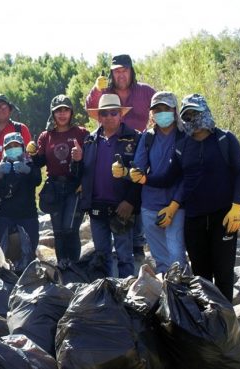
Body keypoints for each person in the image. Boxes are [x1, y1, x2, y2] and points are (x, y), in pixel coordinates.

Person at [126, 94, 240, 301]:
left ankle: (226, 324)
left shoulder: (225, 139)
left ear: (205, 112)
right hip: (193, 218)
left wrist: (237, 206)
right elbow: (169, 178)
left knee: (224, 273)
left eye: (195, 113)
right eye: (188, 115)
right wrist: (145, 179)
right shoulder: (183, 146)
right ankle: (207, 321)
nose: (192, 119)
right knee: (201, 275)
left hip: (224, 217)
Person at [86, 54, 156, 260]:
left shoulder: (145, 91)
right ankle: (122, 251)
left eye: (124, 70)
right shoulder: (105, 91)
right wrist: (96, 90)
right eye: (116, 71)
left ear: (131, 71)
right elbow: (91, 108)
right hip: (111, 144)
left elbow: (162, 106)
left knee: (138, 187)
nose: (121, 74)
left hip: (140, 146)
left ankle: (137, 244)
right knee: (113, 188)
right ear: (112, 73)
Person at [116, 91, 187, 273]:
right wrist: (125, 172)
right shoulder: (148, 137)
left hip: (177, 205)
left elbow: (187, 176)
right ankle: (168, 297)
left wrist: (174, 205)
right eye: (157, 109)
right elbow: (138, 170)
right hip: (150, 205)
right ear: (151, 113)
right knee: (161, 260)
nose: (161, 113)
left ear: (174, 110)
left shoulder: (185, 136)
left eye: (165, 108)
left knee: (177, 256)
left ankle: (182, 295)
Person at [80, 94, 142, 278]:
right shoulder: (90, 140)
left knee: (125, 256)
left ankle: (127, 295)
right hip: (97, 206)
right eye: (104, 113)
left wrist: (130, 201)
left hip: (122, 206)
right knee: (101, 255)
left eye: (113, 113)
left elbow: (142, 174)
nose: (109, 117)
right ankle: (106, 295)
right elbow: (83, 173)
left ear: (120, 114)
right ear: (99, 116)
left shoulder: (135, 138)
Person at [27, 94, 89, 265]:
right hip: (54, 186)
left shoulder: (81, 133)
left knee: (71, 229)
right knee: (58, 230)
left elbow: (91, 163)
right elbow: (40, 162)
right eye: (58, 111)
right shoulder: (45, 136)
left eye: (65, 110)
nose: (62, 114)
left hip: (74, 187)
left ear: (71, 112)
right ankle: (62, 265)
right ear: (53, 114)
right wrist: (32, 154)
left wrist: (80, 159)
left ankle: (74, 265)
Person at [0, 132, 42, 259]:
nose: (13, 149)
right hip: (6, 214)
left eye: (16, 145)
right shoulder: (3, 165)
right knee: (3, 249)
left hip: (27, 214)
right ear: (5, 149)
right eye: (9, 147)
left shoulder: (30, 163)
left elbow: (37, 180)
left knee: (31, 247)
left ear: (22, 146)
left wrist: (28, 171)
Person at [0, 94, 32, 164]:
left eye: (4, 106)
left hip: (15, 172)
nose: (0, 109)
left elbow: (29, 155)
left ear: (10, 109)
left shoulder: (21, 129)